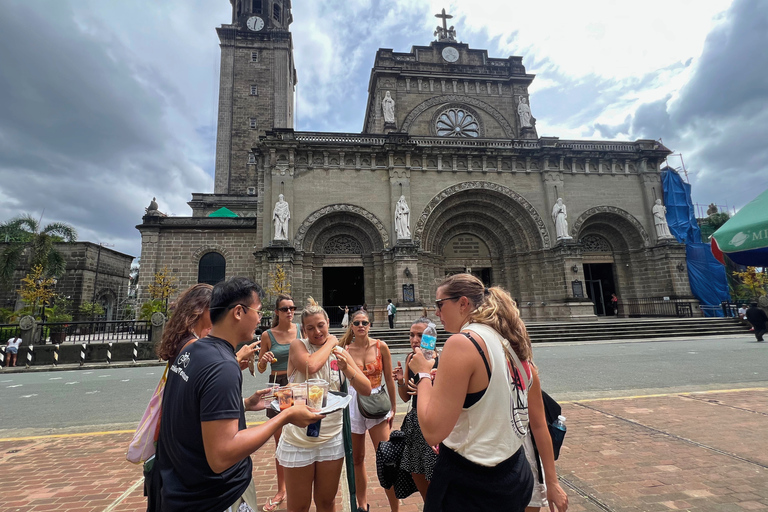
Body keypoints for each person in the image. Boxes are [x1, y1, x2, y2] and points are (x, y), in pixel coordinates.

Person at [156, 277, 322, 512]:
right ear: (238, 312)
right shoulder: (223, 365)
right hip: (218, 496)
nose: (259, 318)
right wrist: (284, 417)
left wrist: (243, 404)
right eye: (257, 311)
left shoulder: (192, 349)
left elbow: (191, 410)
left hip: (181, 488)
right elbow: (222, 455)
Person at [409, 273, 567, 512]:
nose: (436, 313)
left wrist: (422, 374)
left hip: (471, 485)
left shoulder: (462, 343)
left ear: (463, 303)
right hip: (513, 473)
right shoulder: (507, 344)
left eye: (440, 305)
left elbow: (432, 432)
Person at [278, 297, 372, 512]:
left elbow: (366, 388)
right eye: (310, 328)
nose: (317, 332)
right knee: (299, 506)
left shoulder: (339, 352)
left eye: (321, 325)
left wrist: (347, 368)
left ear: (328, 322)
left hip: (330, 437)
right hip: (299, 438)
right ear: (303, 329)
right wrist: (331, 342)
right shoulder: (297, 346)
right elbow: (310, 365)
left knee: (327, 502)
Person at [341, 309, 398, 512]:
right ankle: (362, 505)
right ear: (352, 327)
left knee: (386, 457)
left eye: (364, 322)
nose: (361, 326)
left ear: (369, 325)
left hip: (376, 401)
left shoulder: (381, 346)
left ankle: (395, 508)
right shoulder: (345, 349)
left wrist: (393, 407)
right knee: (357, 458)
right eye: (356, 323)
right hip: (353, 402)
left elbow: (389, 379)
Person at [256, 294, 301, 512]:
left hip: (296, 383)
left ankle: (299, 484)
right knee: (280, 439)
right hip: (277, 385)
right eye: (285, 309)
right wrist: (263, 361)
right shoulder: (267, 335)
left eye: (292, 308)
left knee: (301, 433)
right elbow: (261, 368)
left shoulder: (300, 330)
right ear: (277, 312)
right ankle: (282, 489)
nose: (289, 312)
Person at [392, 318, 438, 501]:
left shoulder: (440, 359)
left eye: (420, 335)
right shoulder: (411, 359)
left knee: (435, 478)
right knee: (417, 475)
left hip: (433, 423)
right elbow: (405, 397)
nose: (415, 339)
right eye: (412, 335)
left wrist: (426, 387)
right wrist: (401, 381)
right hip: (414, 424)